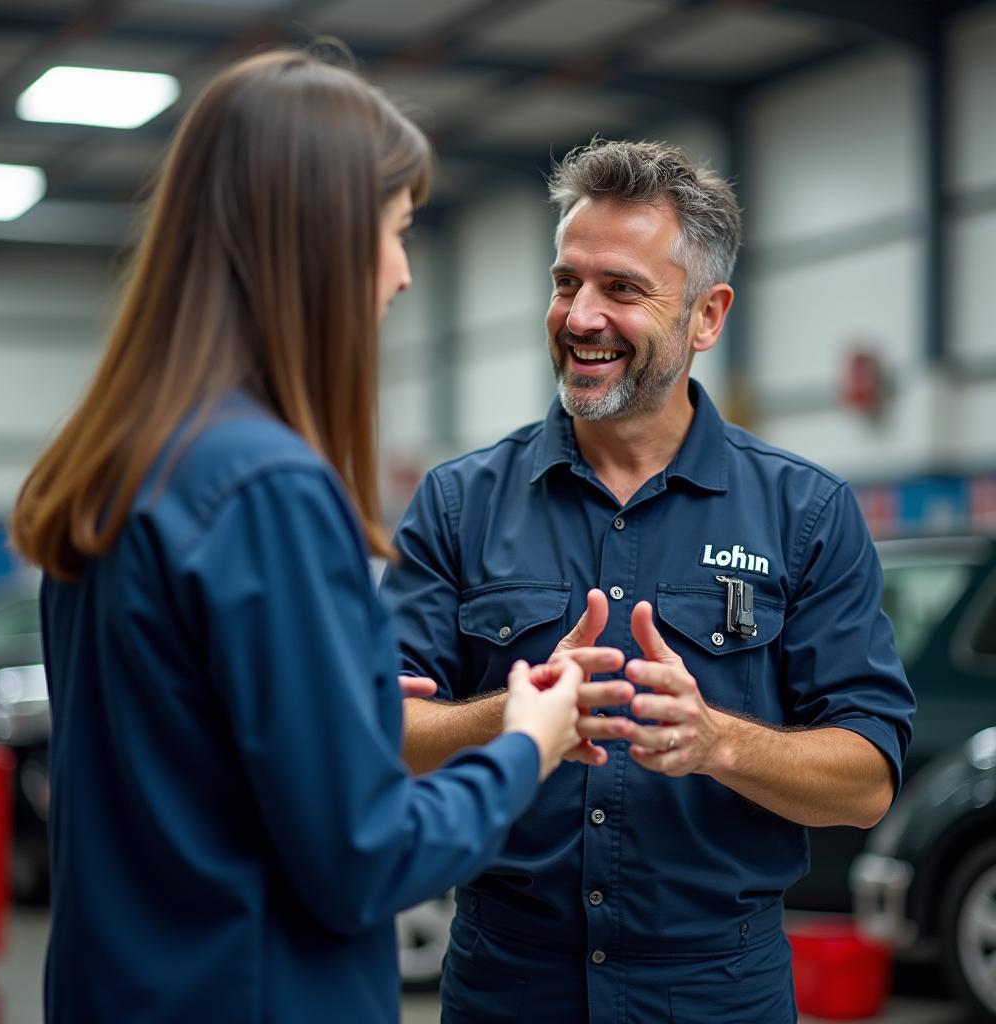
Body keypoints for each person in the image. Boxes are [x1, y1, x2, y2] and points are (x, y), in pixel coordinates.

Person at [9, 50, 593, 1024]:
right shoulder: (268, 489)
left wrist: (344, 706)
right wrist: (526, 743)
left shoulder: (121, 464)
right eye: (396, 231)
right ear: (316, 240)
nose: (404, 274)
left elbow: (184, 759)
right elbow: (365, 856)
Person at [380, 139, 916, 1023]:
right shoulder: (457, 503)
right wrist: (514, 715)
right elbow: (376, 731)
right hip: (506, 984)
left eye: (622, 289)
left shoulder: (806, 513)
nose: (581, 316)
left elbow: (868, 781)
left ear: (707, 316)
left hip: (717, 991)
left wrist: (718, 741)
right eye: (565, 282)